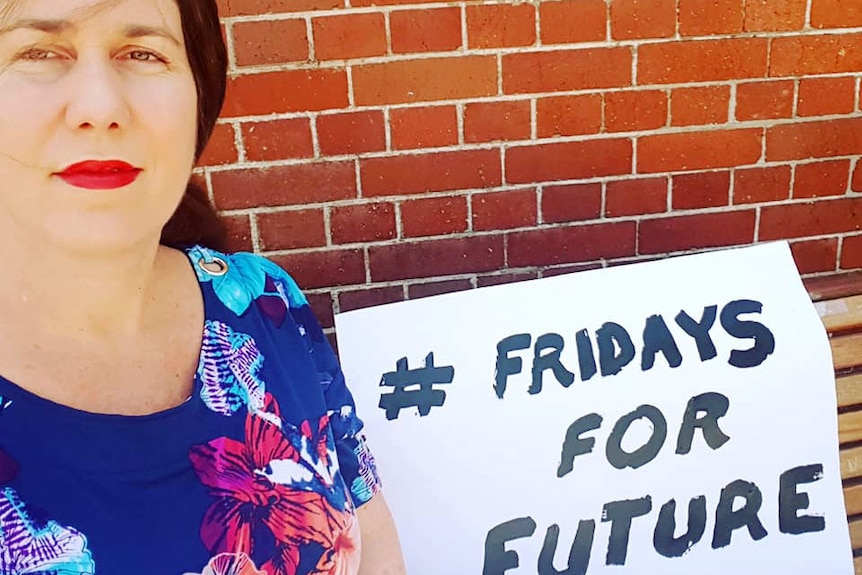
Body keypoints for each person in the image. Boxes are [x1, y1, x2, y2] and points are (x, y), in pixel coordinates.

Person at [0, 1, 407, 573]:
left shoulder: (264, 304)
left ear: (199, 95)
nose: (99, 105)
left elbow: (370, 536)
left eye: (142, 52)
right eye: (39, 51)